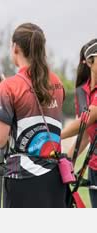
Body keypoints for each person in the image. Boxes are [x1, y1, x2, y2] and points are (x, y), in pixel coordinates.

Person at [0, 23, 68, 207]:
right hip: (55, 177)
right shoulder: (57, 82)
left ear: (15, 48)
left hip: (24, 177)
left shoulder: (9, 87)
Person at [61, 38, 97, 207]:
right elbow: (85, 134)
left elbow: (86, 119)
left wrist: (55, 135)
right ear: (89, 62)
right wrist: (68, 161)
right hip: (94, 166)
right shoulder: (81, 92)